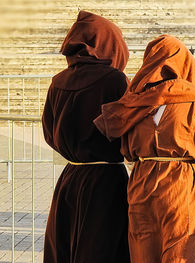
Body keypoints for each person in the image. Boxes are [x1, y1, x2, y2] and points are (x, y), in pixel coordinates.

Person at [94, 35, 195, 263]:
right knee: (180, 254)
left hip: (141, 184)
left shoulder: (134, 103)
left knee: (142, 253)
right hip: (180, 187)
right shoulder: (194, 103)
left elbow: (127, 149)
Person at [42, 11, 130, 262]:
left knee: (65, 248)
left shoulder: (58, 81)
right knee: (102, 248)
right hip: (106, 181)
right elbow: (127, 130)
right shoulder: (114, 80)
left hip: (70, 177)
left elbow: (49, 132)